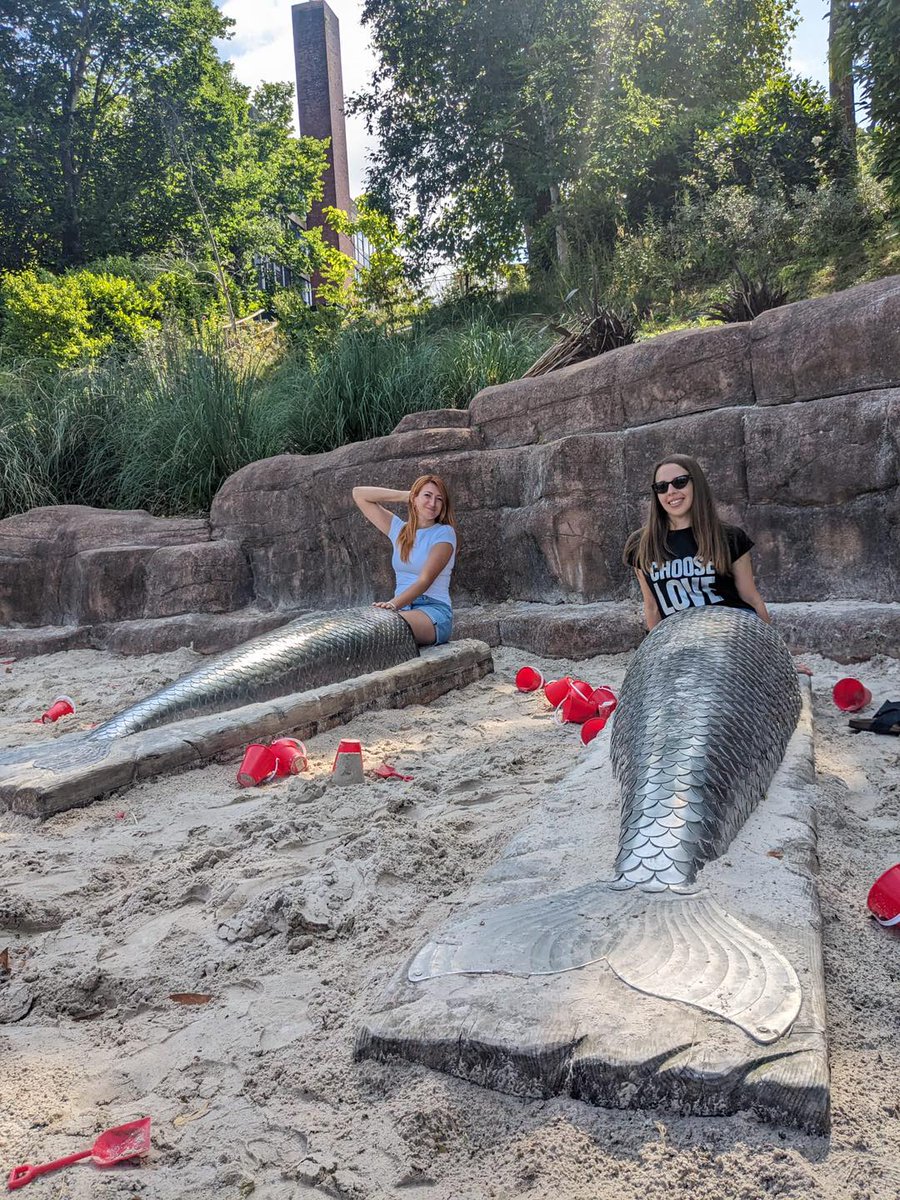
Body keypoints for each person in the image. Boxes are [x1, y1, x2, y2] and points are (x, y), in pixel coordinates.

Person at [624, 454, 772, 631]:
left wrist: (775, 654)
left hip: (731, 632)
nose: (670, 491)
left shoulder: (729, 537)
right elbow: (652, 606)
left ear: (696, 484)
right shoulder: (641, 544)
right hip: (679, 636)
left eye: (680, 482)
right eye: (661, 487)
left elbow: (750, 598)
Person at [352, 475, 457, 646]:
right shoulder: (399, 530)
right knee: (356, 628)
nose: (432, 503)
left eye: (439, 499)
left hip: (432, 610)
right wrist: (406, 495)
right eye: (427, 496)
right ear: (414, 498)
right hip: (402, 609)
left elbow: (425, 580)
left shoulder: (444, 533)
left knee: (381, 628)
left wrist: (392, 605)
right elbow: (359, 494)